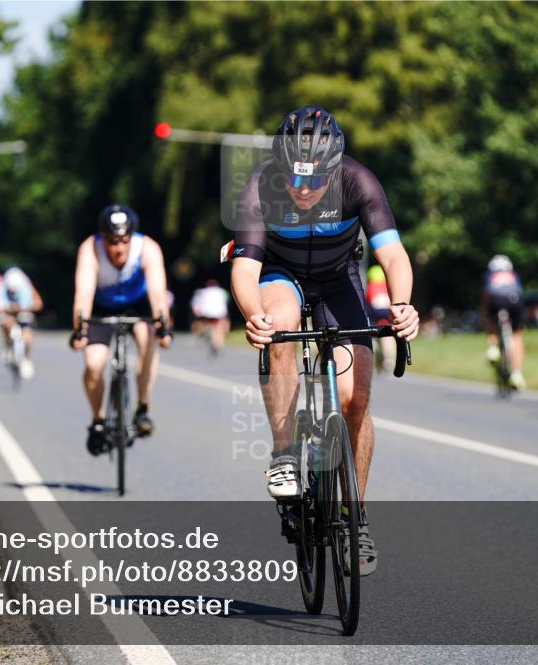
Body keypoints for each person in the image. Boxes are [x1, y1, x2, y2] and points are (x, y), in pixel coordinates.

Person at [230, 105, 419, 577]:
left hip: (338, 279)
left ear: (334, 168)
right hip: (281, 274)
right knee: (278, 325)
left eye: (314, 179)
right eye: (294, 176)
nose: (302, 188)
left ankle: (355, 517)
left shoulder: (359, 182)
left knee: (354, 400)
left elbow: (394, 255)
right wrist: (253, 316)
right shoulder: (260, 185)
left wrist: (402, 305)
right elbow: (245, 269)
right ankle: (284, 454)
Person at [70, 204, 172, 455]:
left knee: (148, 342)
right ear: (102, 237)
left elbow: (157, 292)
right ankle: (98, 421)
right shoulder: (90, 249)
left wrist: (163, 327)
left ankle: (143, 408)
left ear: (132, 237)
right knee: (94, 364)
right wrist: (79, 329)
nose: (119, 248)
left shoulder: (147, 247)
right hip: (101, 307)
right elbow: (84, 293)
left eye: (124, 241)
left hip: (138, 304)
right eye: (112, 241)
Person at [481, 255, 526, 390]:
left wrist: (485, 315)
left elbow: (485, 295)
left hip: (495, 300)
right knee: (516, 334)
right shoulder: (514, 275)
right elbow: (520, 292)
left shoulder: (489, 275)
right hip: (514, 300)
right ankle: (516, 373)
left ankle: (493, 348)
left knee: (490, 319)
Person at [0, 266, 44, 379]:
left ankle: (27, 358)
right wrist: (6, 308)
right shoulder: (0, 285)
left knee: (27, 335)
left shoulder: (26, 285)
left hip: (23, 312)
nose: (13, 291)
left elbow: (38, 303)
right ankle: (7, 346)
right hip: (7, 313)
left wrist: (25, 307)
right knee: (5, 322)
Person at [364, 263, 396, 371]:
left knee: (371, 336)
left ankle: (372, 355)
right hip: (385, 317)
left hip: (372, 316)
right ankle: (388, 359)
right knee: (387, 336)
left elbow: (368, 303)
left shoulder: (370, 287)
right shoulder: (387, 288)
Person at [190, 279, 230, 356]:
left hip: (207, 313)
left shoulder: (202, 292)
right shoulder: (222, 292)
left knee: (208, 326)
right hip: (220, 313)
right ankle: (218, 343)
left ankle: (209, 337)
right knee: (219, 329)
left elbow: (196, 304)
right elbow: (226, 303)